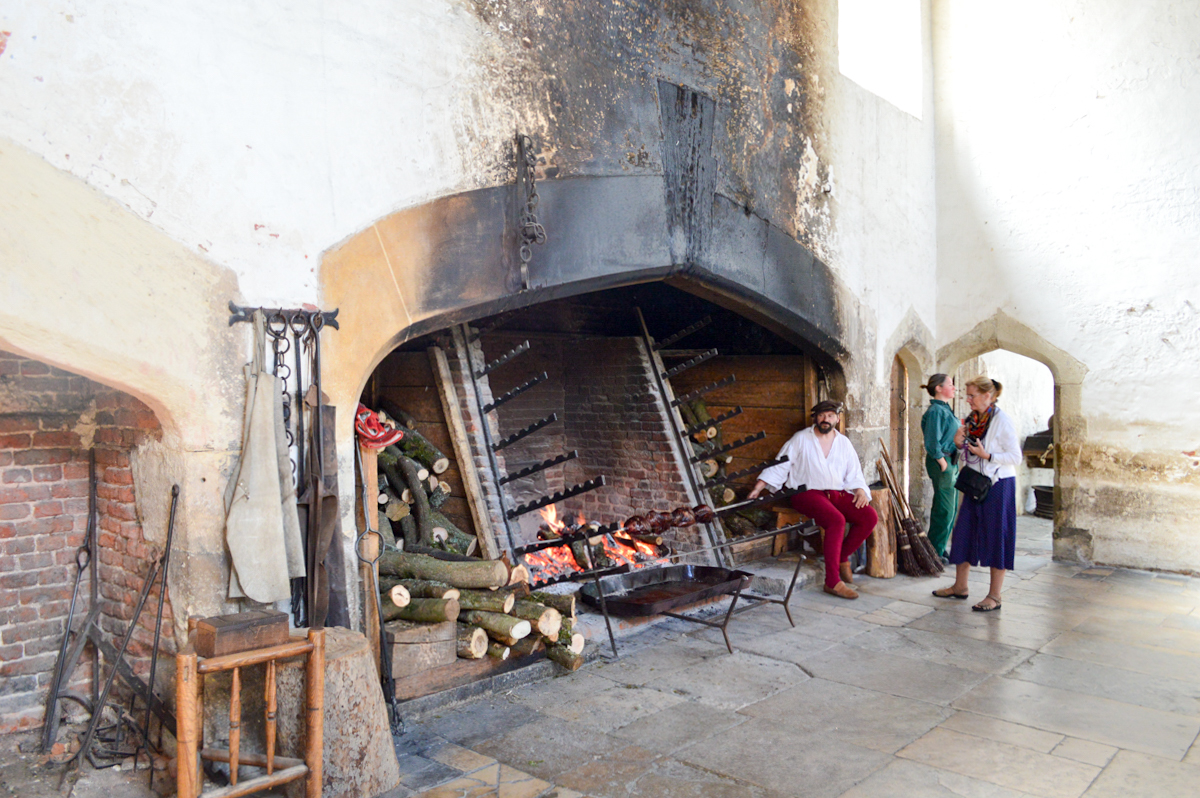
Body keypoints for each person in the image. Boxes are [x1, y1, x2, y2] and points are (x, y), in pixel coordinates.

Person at [748, 400, 878, 599]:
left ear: (837, 418)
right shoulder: (801, 439)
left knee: (869, 516)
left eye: (830, 416)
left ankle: (842, 556)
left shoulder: (843, 442)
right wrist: (759, 487)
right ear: (815, 418)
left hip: (835, 492)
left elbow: (854, 471)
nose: (826, 419)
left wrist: (860, 489)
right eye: (822, 415)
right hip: (805, 493)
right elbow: (781, 464)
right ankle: (832, 581)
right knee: (836, 520)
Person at [932, 376, 1021, 612]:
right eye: (967, 394)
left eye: (972, 395)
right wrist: (958, 442)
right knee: (964, 532)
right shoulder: (974, 420)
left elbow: (1015, 457)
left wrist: (989, 456)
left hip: (998, 485)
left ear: (988, 396)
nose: (967, 399)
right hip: (974, 483)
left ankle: (995, 595)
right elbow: (968, 450)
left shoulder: (1002, 421)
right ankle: (960, 586)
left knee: (996, 536)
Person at [920, 374, 959, 559]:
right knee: (944, 509)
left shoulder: (945, 409)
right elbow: (932, 441)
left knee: (949, 509)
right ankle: (935, 552)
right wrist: (943, 463)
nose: (954, 388)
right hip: (942, 462)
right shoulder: (936, 411)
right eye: (950, 384)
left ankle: (940, 548)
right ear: (938, 388)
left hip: (950, 461)